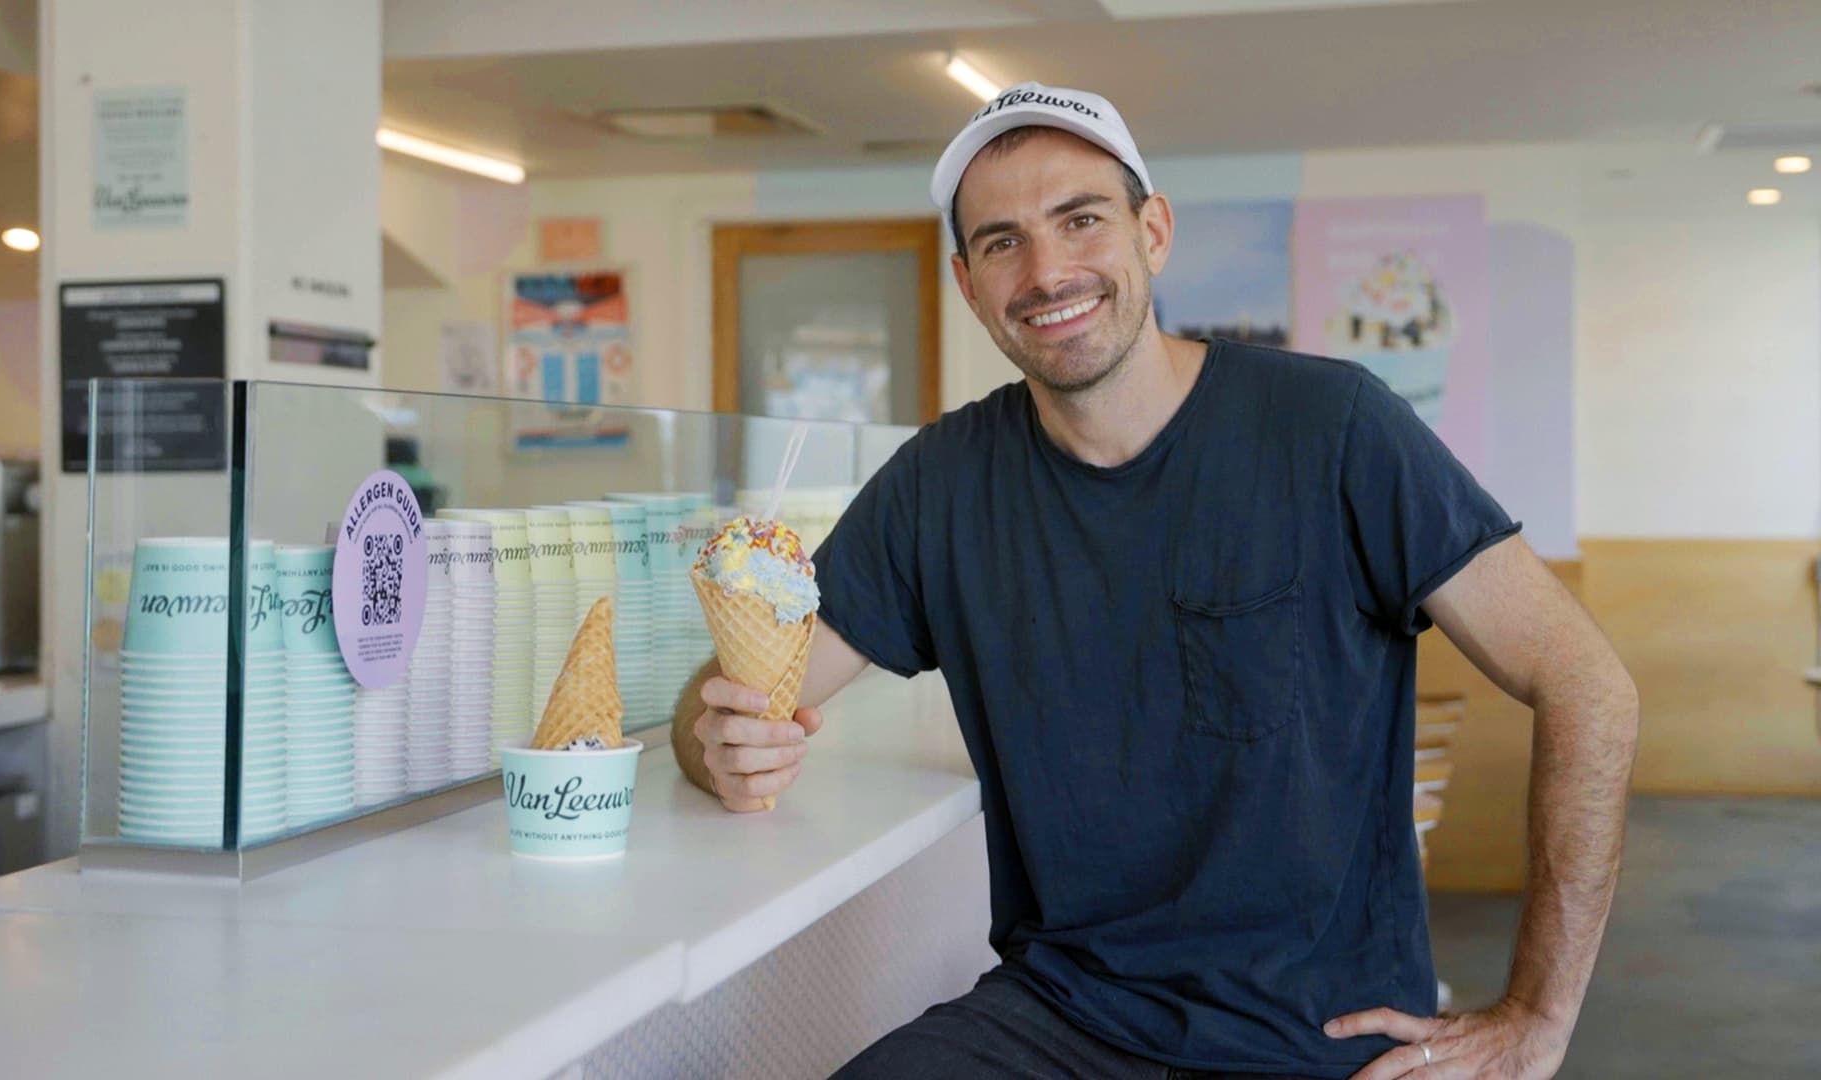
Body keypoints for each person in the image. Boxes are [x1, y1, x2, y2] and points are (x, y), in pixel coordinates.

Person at [671, 82, 1638, 1080]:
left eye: (1080, 219)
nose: (1047, 271)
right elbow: (736, 698)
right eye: (1002, 242)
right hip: (1061, 1018)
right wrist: (719, 748)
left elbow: (1586, 682)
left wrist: (1538, 1014)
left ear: (1154, 232)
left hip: (1320, 1041)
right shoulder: (939, 485)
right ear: (968, 283)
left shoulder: (1334, 429)